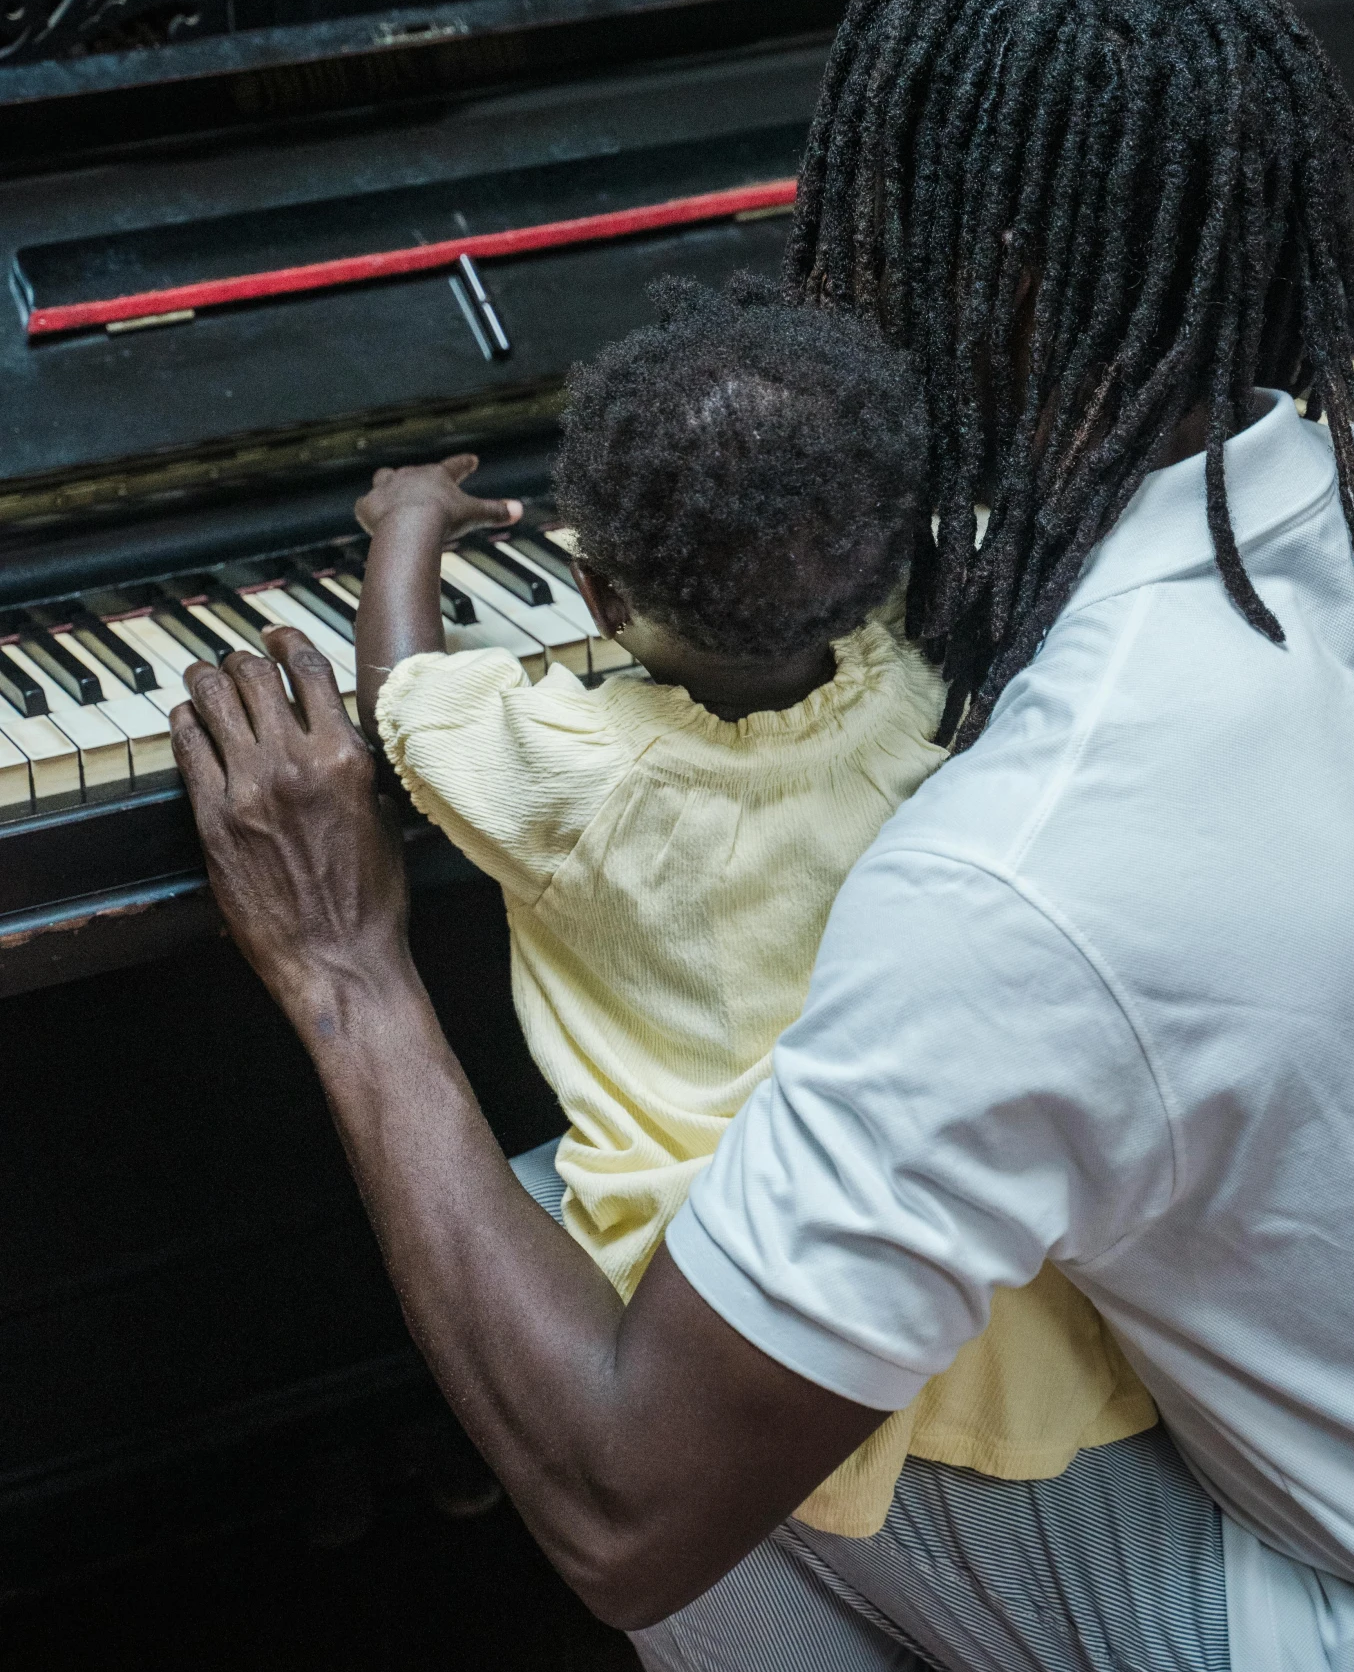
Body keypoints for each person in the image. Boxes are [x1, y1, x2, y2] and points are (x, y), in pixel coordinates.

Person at [171, 0, 1354, 1672]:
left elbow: (619, 1506)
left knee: (611, 1346)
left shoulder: (1015, 878)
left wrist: (347, 977)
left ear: (949, 271)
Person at [349, 279, 1151, 1538]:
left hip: (703, 1270)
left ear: (599, 597)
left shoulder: (575, 778)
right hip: (915, 1217)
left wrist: (405, 526)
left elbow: (407, 699)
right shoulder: (906, 692)